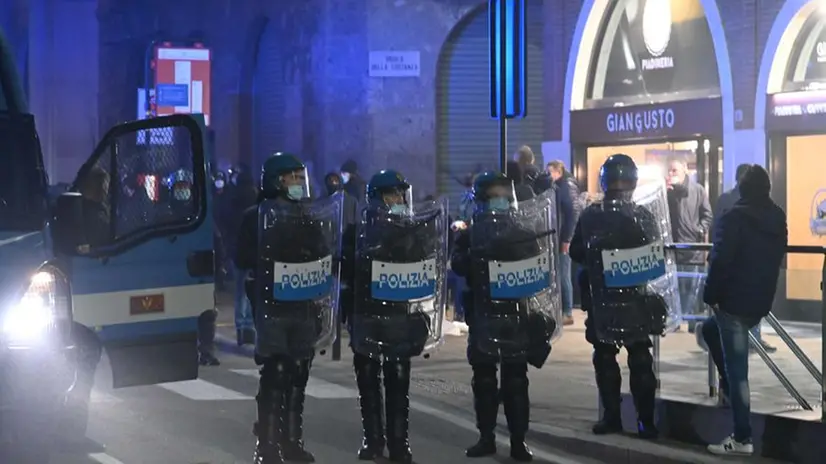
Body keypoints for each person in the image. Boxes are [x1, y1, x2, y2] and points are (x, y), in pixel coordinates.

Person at [236, 152, 340, 463]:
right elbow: (242, 258)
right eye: (291, 177)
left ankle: (292, 441)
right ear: (276, 180)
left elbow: (324, 251)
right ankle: (267, 445)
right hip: (273, 304)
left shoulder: (308, 214)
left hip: (304, 304)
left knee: (299, 371)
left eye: (300, 177)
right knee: (276, 370)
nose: (297, 182)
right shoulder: (255, 216)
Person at [451, 171, 557, 462]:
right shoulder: (471, 234)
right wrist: (474, 255)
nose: (499, 201)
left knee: (515, 381)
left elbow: (539, 269)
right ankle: (486, 437)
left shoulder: (523, 232)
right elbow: (458, 266)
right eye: (493, 196)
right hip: (484, 314)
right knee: (484, 381)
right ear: (483, 200)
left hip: (515, 315)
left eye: (502, 195)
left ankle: (518, 441)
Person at [342, 170, 446, 463]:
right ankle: (373, 440)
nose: (398, 200)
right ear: (376, 199)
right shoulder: (357, 232)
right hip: (368, 315)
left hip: (402, 317)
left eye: (400, 194)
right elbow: (346, 269)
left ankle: (399, 444)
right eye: (391, 194)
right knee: (368, 380)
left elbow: (429, 264)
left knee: (398, 382)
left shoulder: (415, 230)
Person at [570, 154, 668, 440]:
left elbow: (577, 251)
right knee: (637, 359)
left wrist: (600, 253)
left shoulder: (593, 215)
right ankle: (644, 422)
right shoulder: (641, 215)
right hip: (631, 297)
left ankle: (613, 417)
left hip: (606, 299)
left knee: (607, 359)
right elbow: (656, 252)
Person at [701, 165, 787, 456]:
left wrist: (710, 295)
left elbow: (721, 260)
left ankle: (742, 437)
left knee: (739, 373)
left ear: (742, 189)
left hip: (734, 303)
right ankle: (727, 387)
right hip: (760, 301)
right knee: (710, 330)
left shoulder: (733, 218)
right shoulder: (777, 217)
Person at [697, 164, 776, 353]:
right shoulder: (732, 201)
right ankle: (750, 341)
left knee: (738, 311)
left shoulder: (740, 203)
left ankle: (752, 340)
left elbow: (720, 233)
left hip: (740, 268)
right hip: (744, 268)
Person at [666, 158, 713, 332]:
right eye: (669, 171)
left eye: (674, 170)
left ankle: (692, 322)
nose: (671, 174)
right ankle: (677, 321)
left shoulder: (698, 190)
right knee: (675, 287)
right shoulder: (669, 193)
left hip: (693, 249)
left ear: (685, 169)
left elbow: (707, 215)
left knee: (693, 288)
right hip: (674, 249)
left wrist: (699, 230)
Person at [547, 160, 582, 326]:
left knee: (563, 273)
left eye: (550, 172)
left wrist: (567, 239)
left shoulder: (566, 186)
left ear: (557, 172)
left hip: (564, 238)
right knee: (560, 273)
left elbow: (572, 213)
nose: (548, 176)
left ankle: (567, 312)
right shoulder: (561, 186)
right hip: (561, 236)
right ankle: (563, 310)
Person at [227, 168, 259, 346]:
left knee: (240, 292)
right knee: (251, 293)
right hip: (253, 256)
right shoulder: (257, 204)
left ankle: (241, 327)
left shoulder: (232, 199)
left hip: (238, 253)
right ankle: (249, 327)